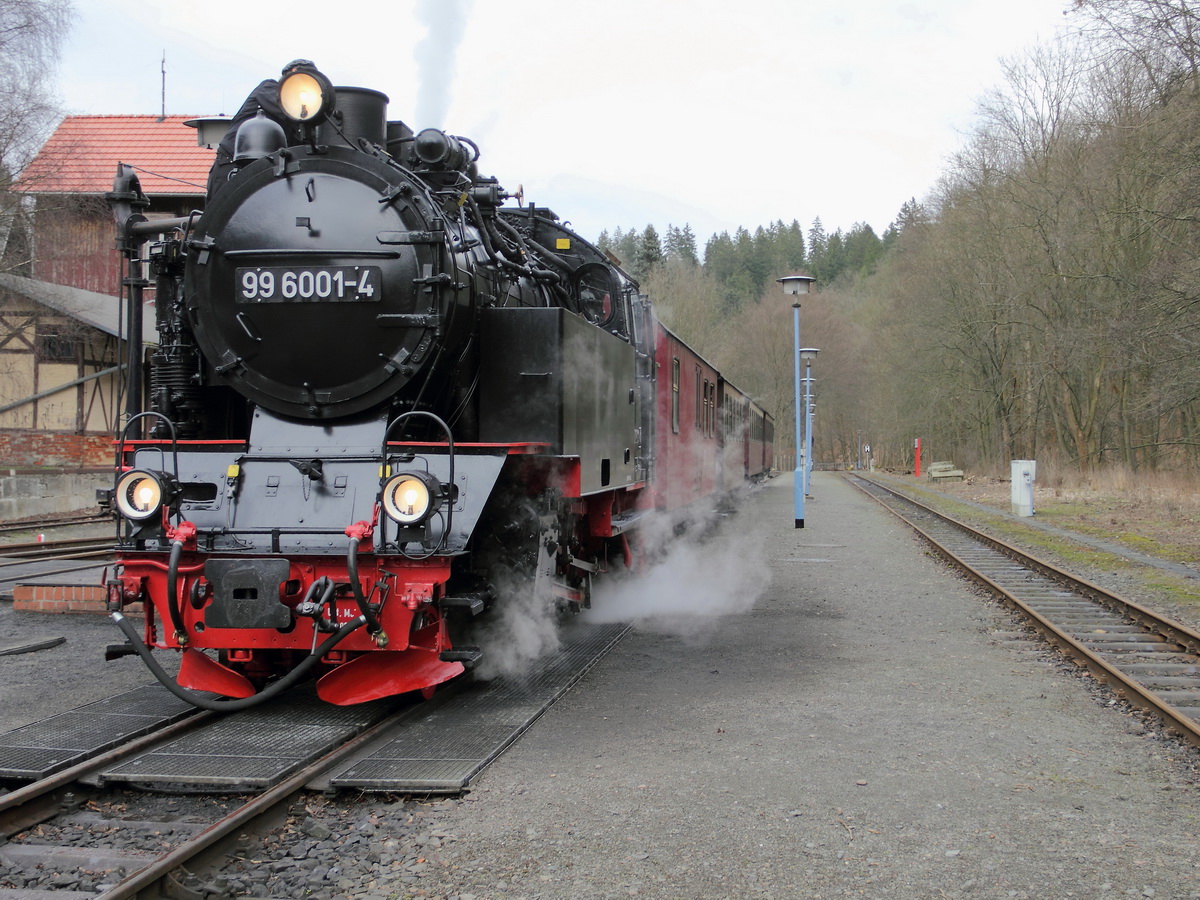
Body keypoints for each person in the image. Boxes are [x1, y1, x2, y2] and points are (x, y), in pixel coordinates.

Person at [206, 60, 316, 197]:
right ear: (289, 75)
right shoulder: (269, 89)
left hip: (266, 171)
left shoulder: (302, 119)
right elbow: (288, 110)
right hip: (232, 165)